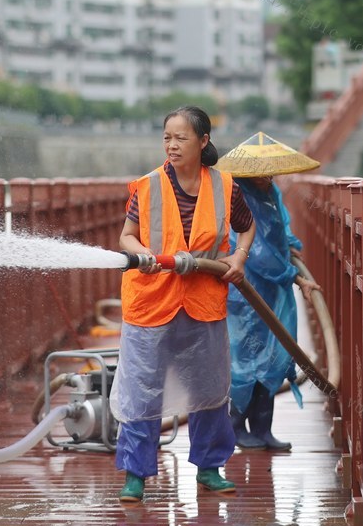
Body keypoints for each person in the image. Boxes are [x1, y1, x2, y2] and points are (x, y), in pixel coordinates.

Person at [110, 105, 256, 503]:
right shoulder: (149, 185)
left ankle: (210, 468)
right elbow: (127, 236)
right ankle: (135, 475)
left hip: (204, 298)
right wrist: (145, 254)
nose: (172, 146)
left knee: (209, 386)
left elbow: (246, 227)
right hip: (152, 299)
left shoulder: (226, 186)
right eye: (167, 138)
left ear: (203, 141)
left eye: (181, 138)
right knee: (143, 387)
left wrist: (238, 258)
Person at [226, 174, 320, 451]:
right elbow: (256, 252)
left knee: (275, 355)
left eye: (270, 173)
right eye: (261, 174)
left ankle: (263, 428)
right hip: (247, 289)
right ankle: (235, 426)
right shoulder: (237, 196)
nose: (267, 178)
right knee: (247, 361)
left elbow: (281, 226)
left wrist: (290, 244)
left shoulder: (271, 193)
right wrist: (294, 276)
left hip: (275, 291)